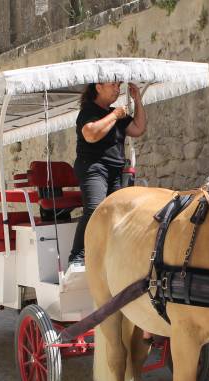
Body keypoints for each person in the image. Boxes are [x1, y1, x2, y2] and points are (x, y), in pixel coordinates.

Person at [67, 81, 147, 269]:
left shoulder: (117, 115)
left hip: (115, 170)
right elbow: (91, 134)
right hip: (93, 167)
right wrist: (114, 115)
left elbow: (138, 128)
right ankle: (77, 256)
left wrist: (138, 100)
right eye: (112, 84)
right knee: (95, 209)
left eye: (119, 85)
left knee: (115, 212)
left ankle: (109, 255)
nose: (117, 89)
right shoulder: (88, 111)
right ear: (99, 87)